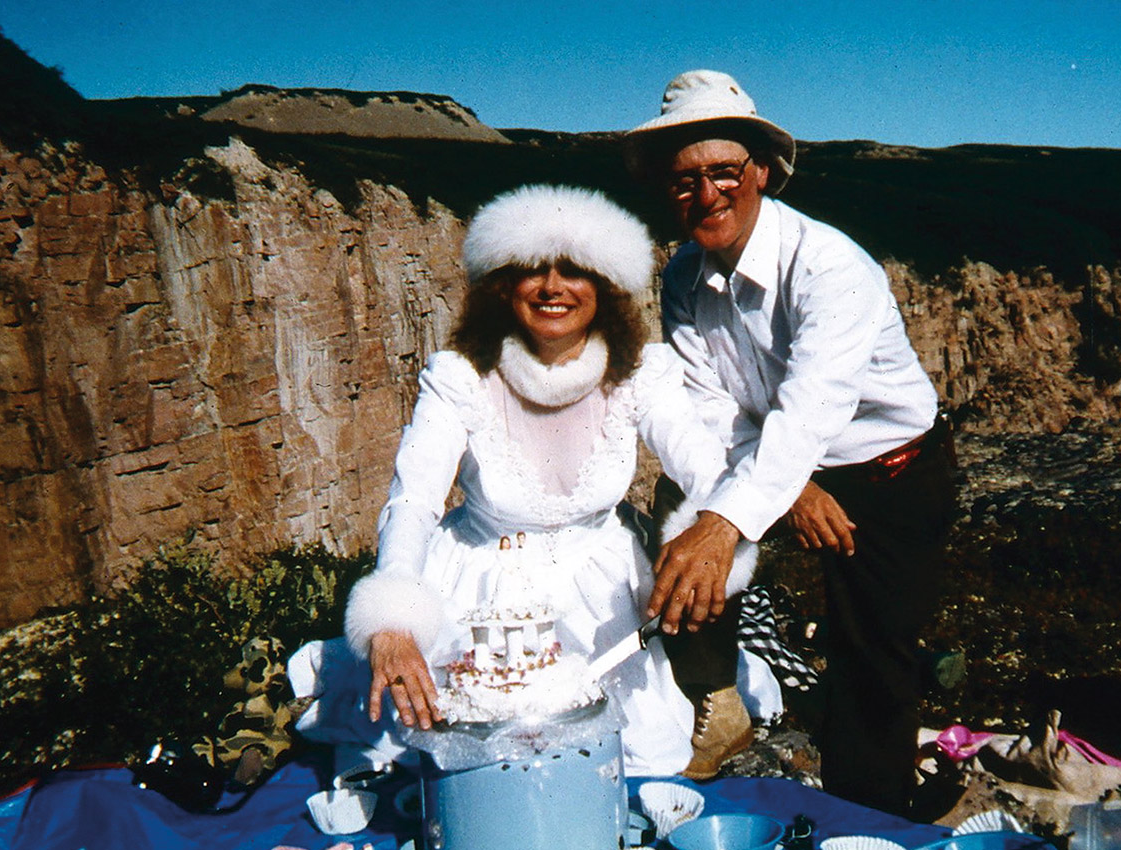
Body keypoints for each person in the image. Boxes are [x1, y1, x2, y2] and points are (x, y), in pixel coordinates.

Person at [286, 184, 763, 778]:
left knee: (631, 762)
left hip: (601, 599)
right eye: (532, 270)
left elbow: (705, 467)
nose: (552, 287)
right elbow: (413, 500)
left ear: (605, 286)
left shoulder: (643, 372)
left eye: (575, 271)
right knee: (448, 756)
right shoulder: (459, 376)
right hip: (478, 591)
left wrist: (717, 539)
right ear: (503, 285)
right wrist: (393, 620)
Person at [625, 71, 958, 813]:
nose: (706, 194)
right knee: (681, 501)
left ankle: (865, 817)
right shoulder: (683, 276)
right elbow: (709, 407)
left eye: (723, 172)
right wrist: (793, 491)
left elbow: (814, 409)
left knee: (871, 650)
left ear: (762, 173)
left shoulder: (828, 267)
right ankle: (715, 701)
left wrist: (730, 523)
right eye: (684, 181)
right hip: (780, 462)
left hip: (886, 470)